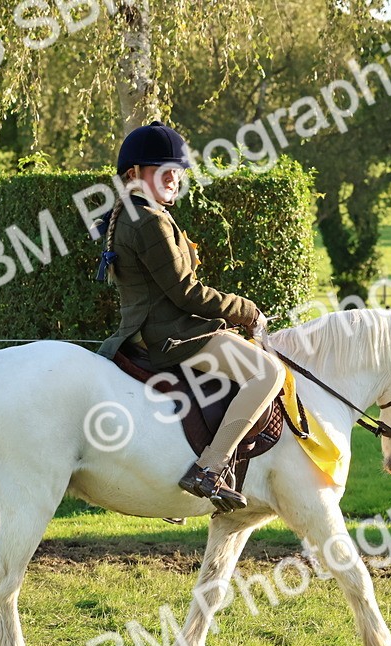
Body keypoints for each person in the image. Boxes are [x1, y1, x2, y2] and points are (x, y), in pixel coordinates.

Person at [96, 122, 286, 513]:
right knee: (268, 374)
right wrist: (246, 310)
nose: (173, 178)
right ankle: (209, 470)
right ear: (133, 174)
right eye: (163, 169)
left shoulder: (133, 213)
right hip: (173, 336)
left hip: (146, 333)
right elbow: (188, 293)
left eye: (177, 171)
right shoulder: (150, 220)